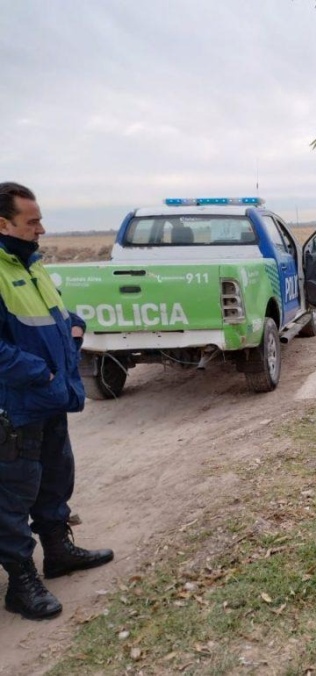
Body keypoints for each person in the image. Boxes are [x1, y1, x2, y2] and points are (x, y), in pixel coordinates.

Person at [0, 182, 113, 620]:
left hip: (49, 400)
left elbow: (57, 315)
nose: (41, 229)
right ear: (4, 223)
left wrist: (76, 327)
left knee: (53, 479)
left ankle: (58, 552)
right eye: (32, 222)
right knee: (12, 496)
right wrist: (41, 371)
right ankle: (21, 582)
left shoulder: (30, 264)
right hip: (17, 405)